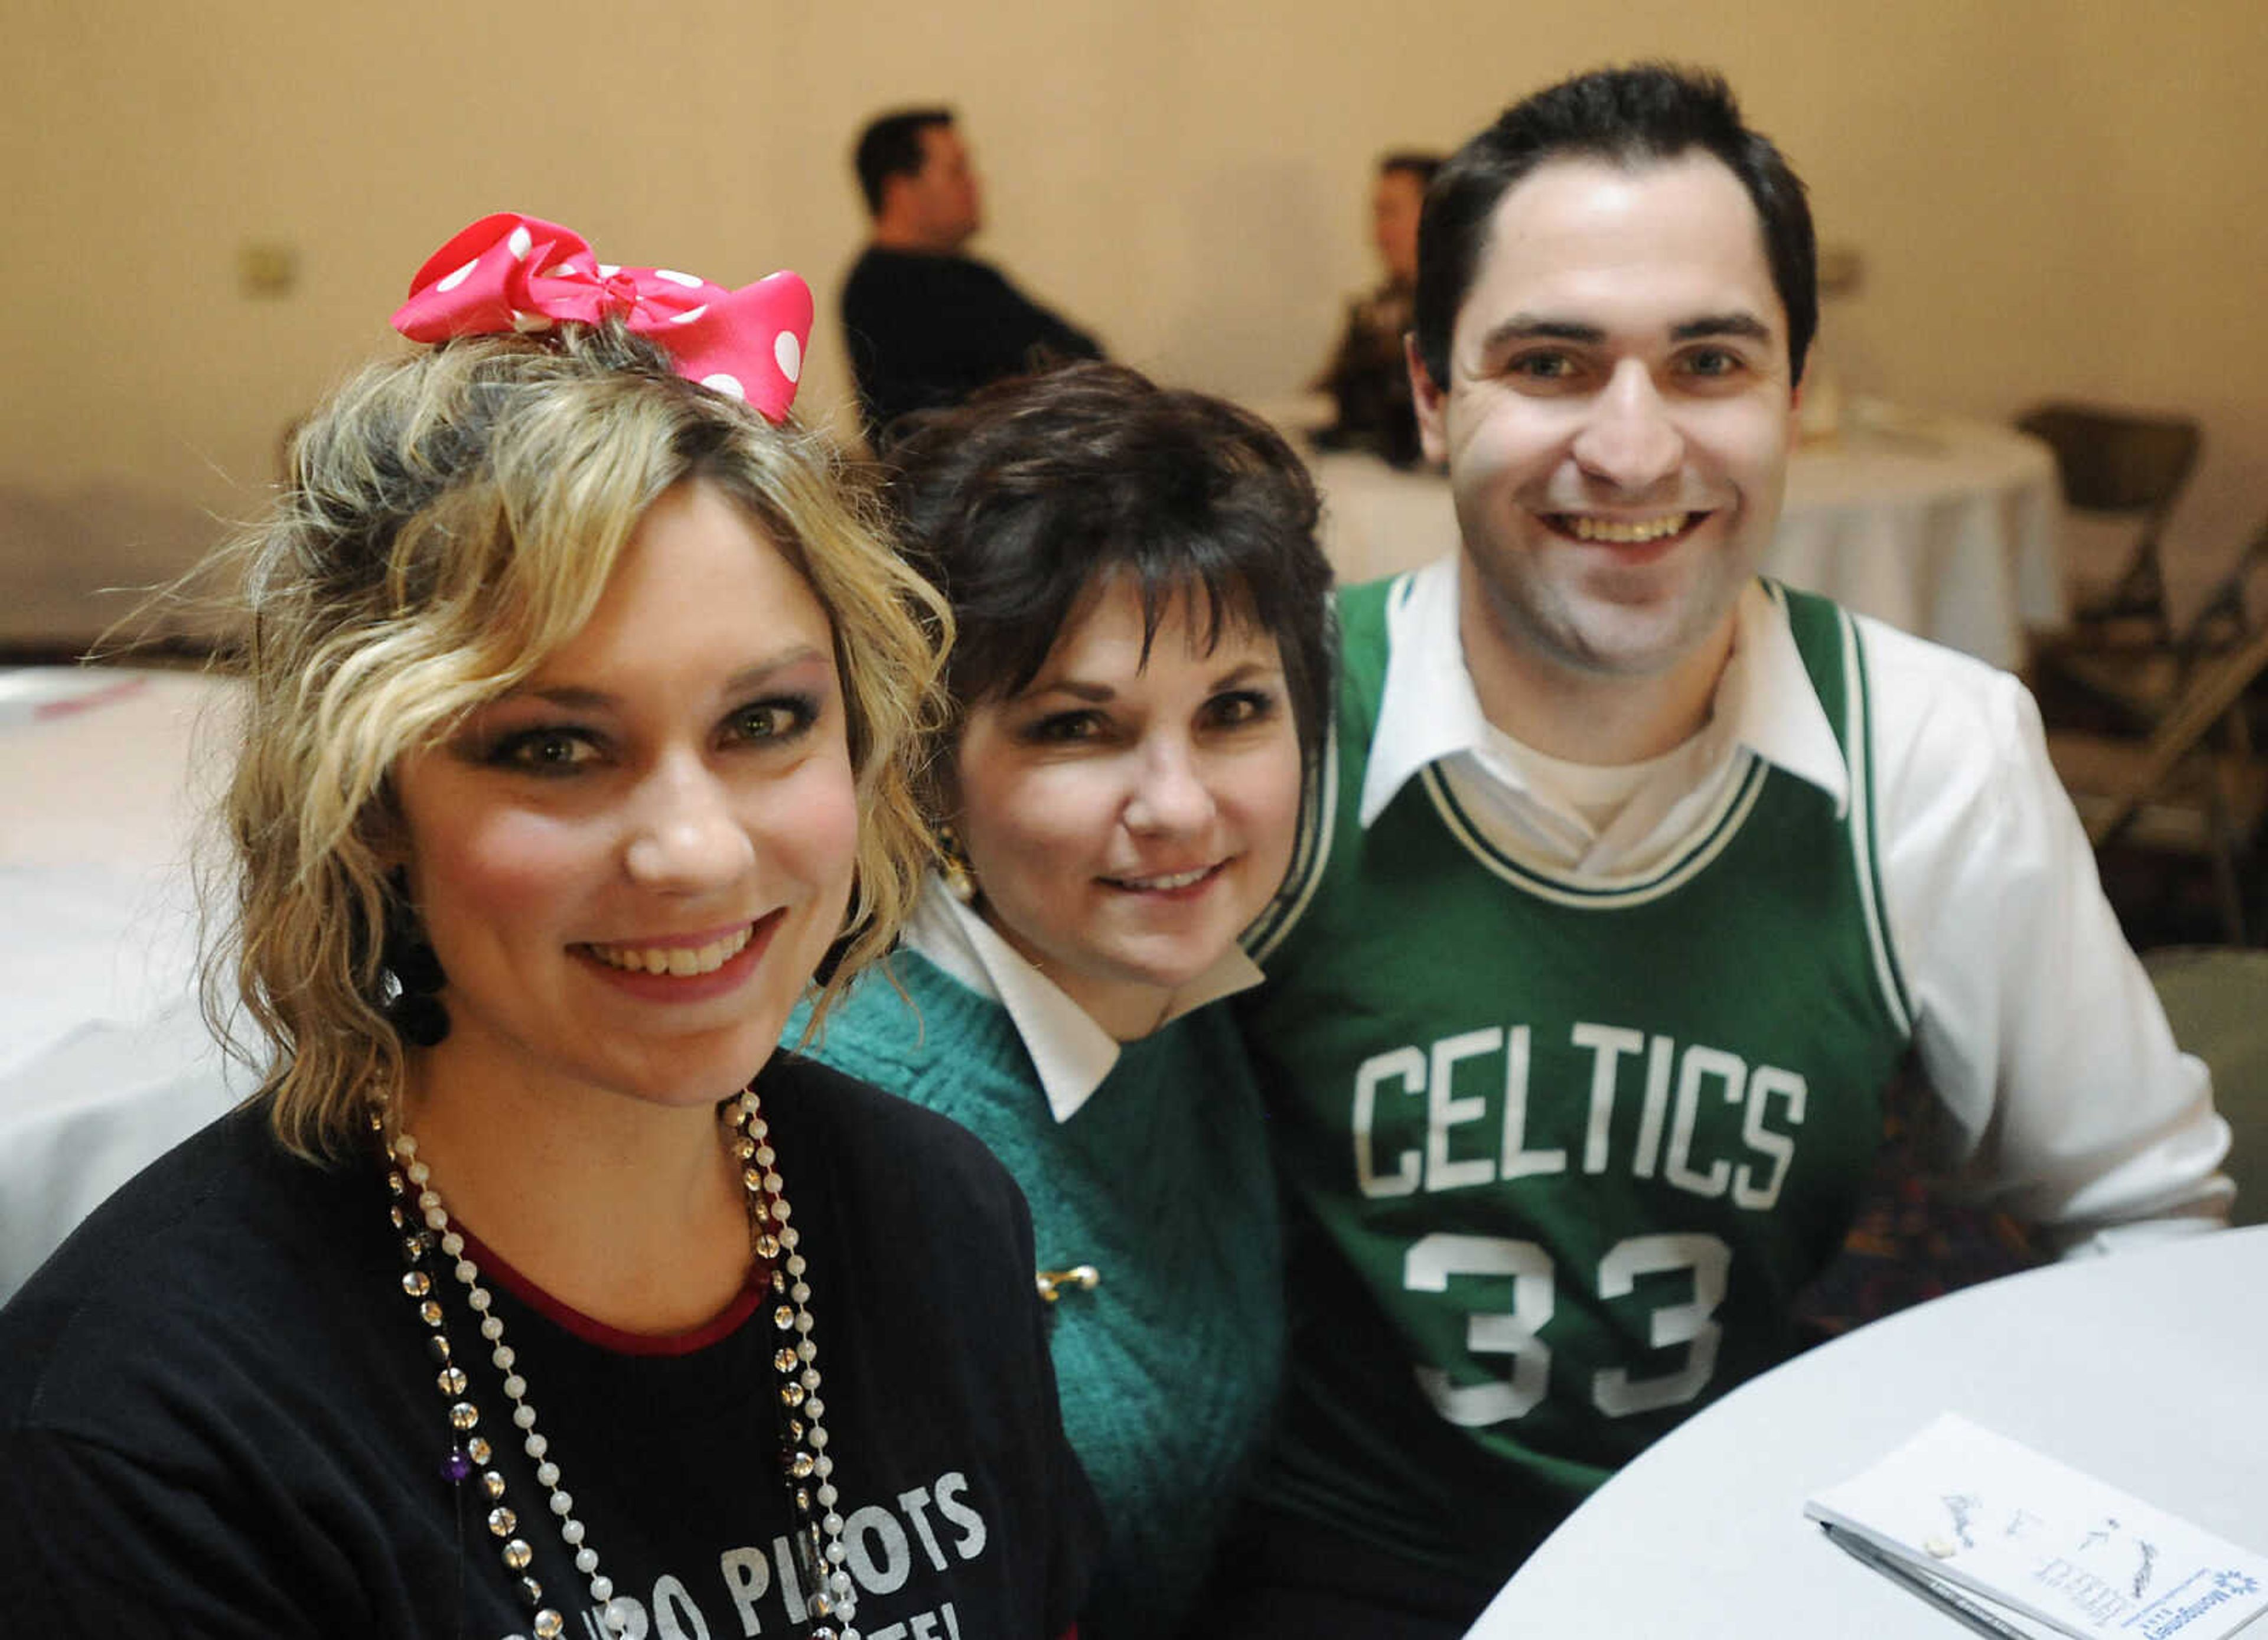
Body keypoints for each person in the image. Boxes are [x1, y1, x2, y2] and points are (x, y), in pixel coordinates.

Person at [1224, 66, 2235, 1637]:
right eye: (1550, 362)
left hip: (1733, 1548)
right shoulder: (1265, 732)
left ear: (1791, 396)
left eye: (1708, 362)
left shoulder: (1929, 757)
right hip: (1333, 1578)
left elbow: (2143, 1211)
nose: (1632, 453)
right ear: (1431, 397)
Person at [0, 211, 1099, 1639]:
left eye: (765, 721)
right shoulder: (148, 1431)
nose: (698, 849)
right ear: (371, 805)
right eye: (554, 748)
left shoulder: (937, 1217)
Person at [795, 361, 1335, 1639]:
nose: (1181, 807)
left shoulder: (1187, 986)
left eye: (1236, 711)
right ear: (928, 767)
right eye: (1076, 729)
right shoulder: (860, 1121)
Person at [841, 108, 1104, 448]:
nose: (975, 182)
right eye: (957, 170)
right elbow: (929, 432)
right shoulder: (882, 293)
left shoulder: (973, 276)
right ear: (900, 191)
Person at [1311, 151, 1442, 467]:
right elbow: (1329, 395)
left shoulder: (1463, 315)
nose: (1378, 235)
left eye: (1390, 213)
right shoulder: (1376, 312)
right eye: (1377, 215)